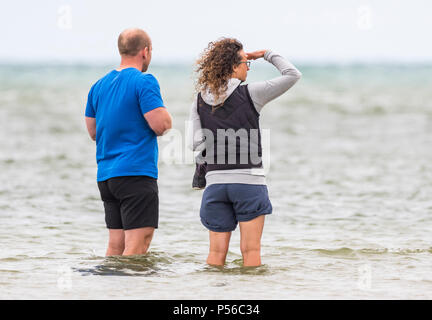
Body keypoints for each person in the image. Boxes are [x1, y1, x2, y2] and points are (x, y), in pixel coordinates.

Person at [187, 38, 302, 267]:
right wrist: (266, 54)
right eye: (245, 62)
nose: (247, 66)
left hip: (215, 185)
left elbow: (194, 142)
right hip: (249, 183)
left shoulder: (200, 99)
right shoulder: (252, 93)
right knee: (250, 252)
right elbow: (292, 74)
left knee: (215, 257)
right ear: (232, 66)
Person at [84, 28, 172, 256]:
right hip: (135, 173)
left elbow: (93, 131)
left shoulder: (98, 86)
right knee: (137, 246)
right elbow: (160, 125)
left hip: (106, 176)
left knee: (116, 245)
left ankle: (113, 291)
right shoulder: (144, 81)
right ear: (145, 51)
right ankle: (133, 290)